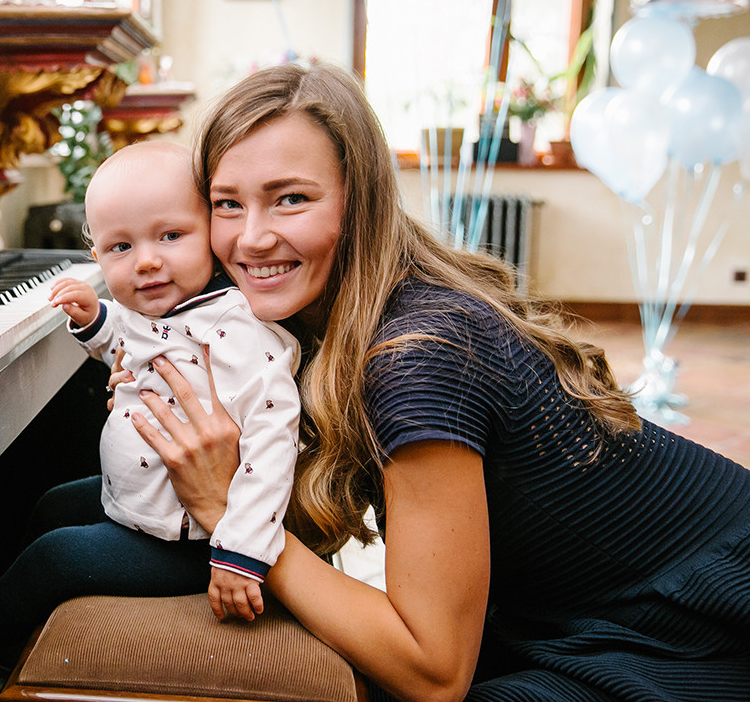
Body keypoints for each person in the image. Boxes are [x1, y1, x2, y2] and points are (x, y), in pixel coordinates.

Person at [121, 61, 750, 702]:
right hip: (569, 614)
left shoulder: (416, 357)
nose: (251, 238)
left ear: (359, 201)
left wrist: (234, 517)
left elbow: (435, 673)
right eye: (228, 204)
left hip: (701, 621)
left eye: (291, 198)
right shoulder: (307, 320)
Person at [0, 140, 301, 693]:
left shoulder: (241, 337)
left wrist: (240, 555)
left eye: (171, 236)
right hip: (147, 505)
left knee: (55, 557)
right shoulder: (173, 309)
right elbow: (131, 347)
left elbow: (273, 445)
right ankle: (11, 639)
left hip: (198, 542)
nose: (147, 260)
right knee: (53, 503)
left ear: (210, 228)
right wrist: (96, 322)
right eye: (119, 247)